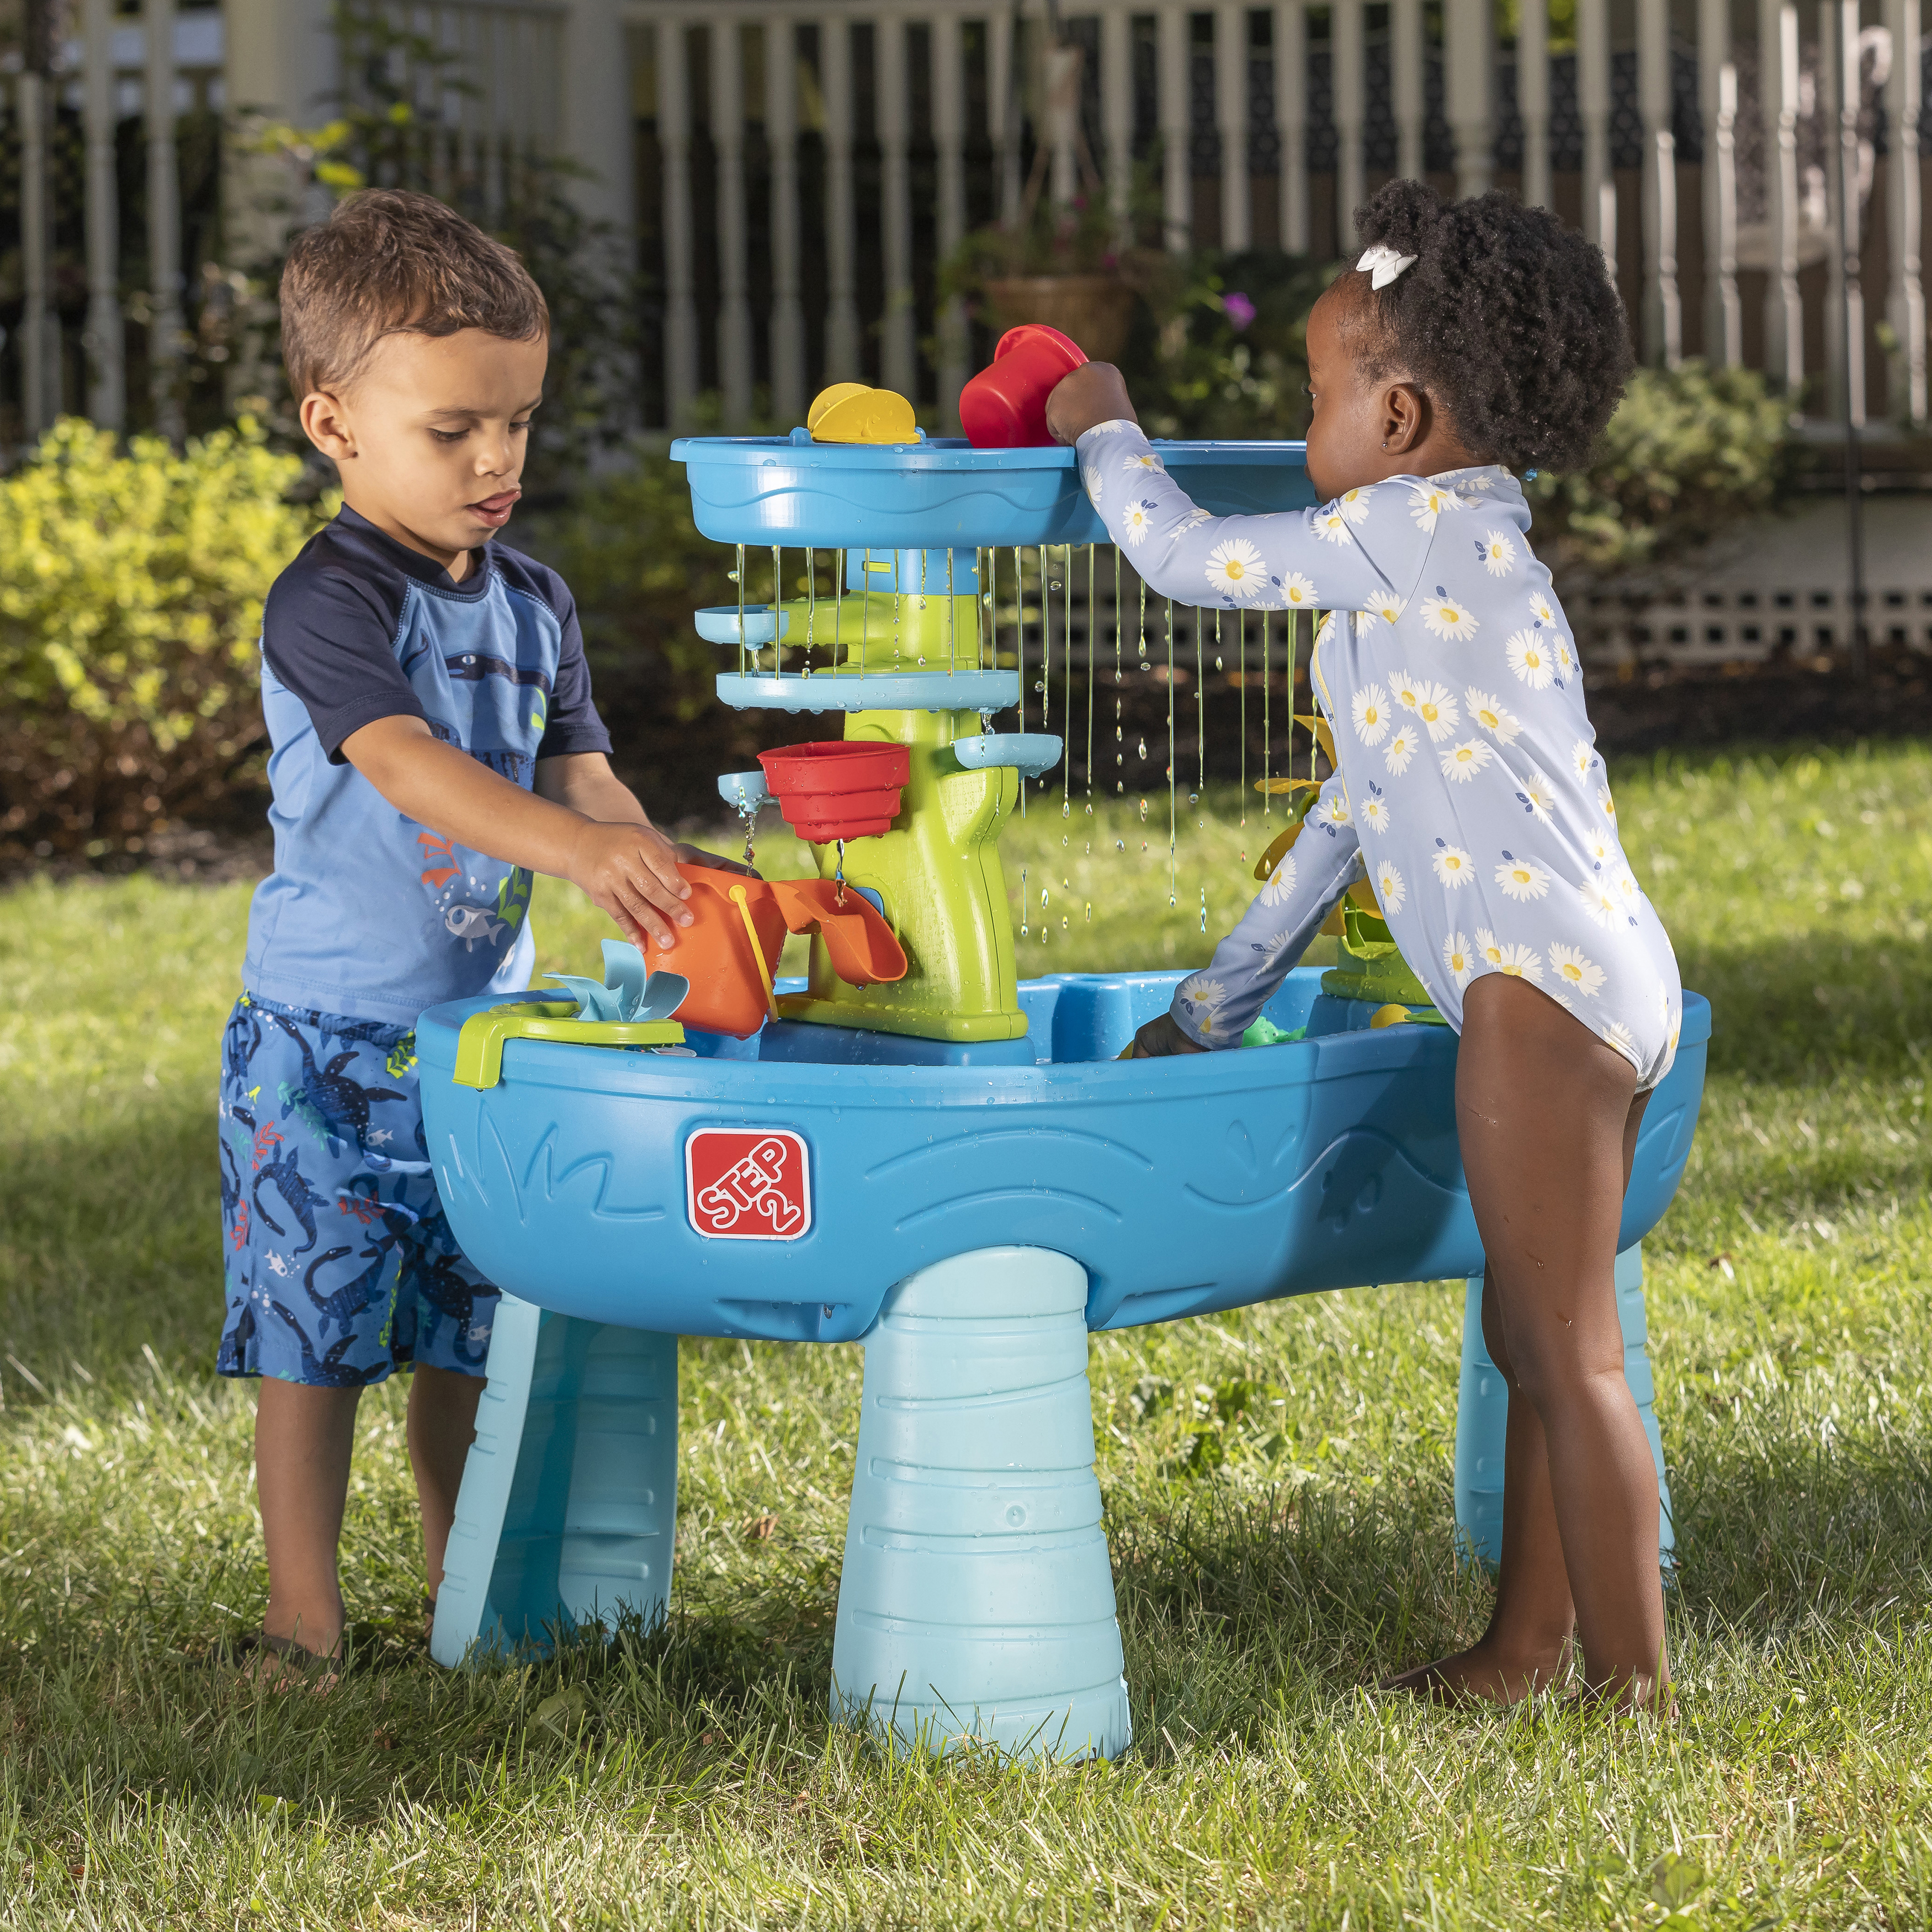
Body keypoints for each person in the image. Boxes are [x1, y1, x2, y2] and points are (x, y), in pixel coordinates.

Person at [1047, 180, 1681, 1711]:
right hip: (1594, 975)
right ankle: (1526, 1649)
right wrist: (1209, 1010)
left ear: (1397, 418)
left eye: (1315, 391)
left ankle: (1636, 1690)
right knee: (1533, 1345)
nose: (1307, 422)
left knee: (1568, 1354)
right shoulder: (1451, 560)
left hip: (1537, 996)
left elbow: (1182, 558)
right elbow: (1341, 819)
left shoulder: (1404, 531)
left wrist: (1101, 423)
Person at [217, 188, 730, 1675]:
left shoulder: (537, 601)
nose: (497, 459)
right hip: (320, 1039)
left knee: (466, 1321)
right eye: (455, 431)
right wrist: (574, 848)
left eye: (517, 423)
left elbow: (575, 765)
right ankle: (300, 1616)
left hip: (480, 1041)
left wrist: (635, 849)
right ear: (336, 422)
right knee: (313, 1339)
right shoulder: (327, 597)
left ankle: (464, 1577)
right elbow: (404, 760)